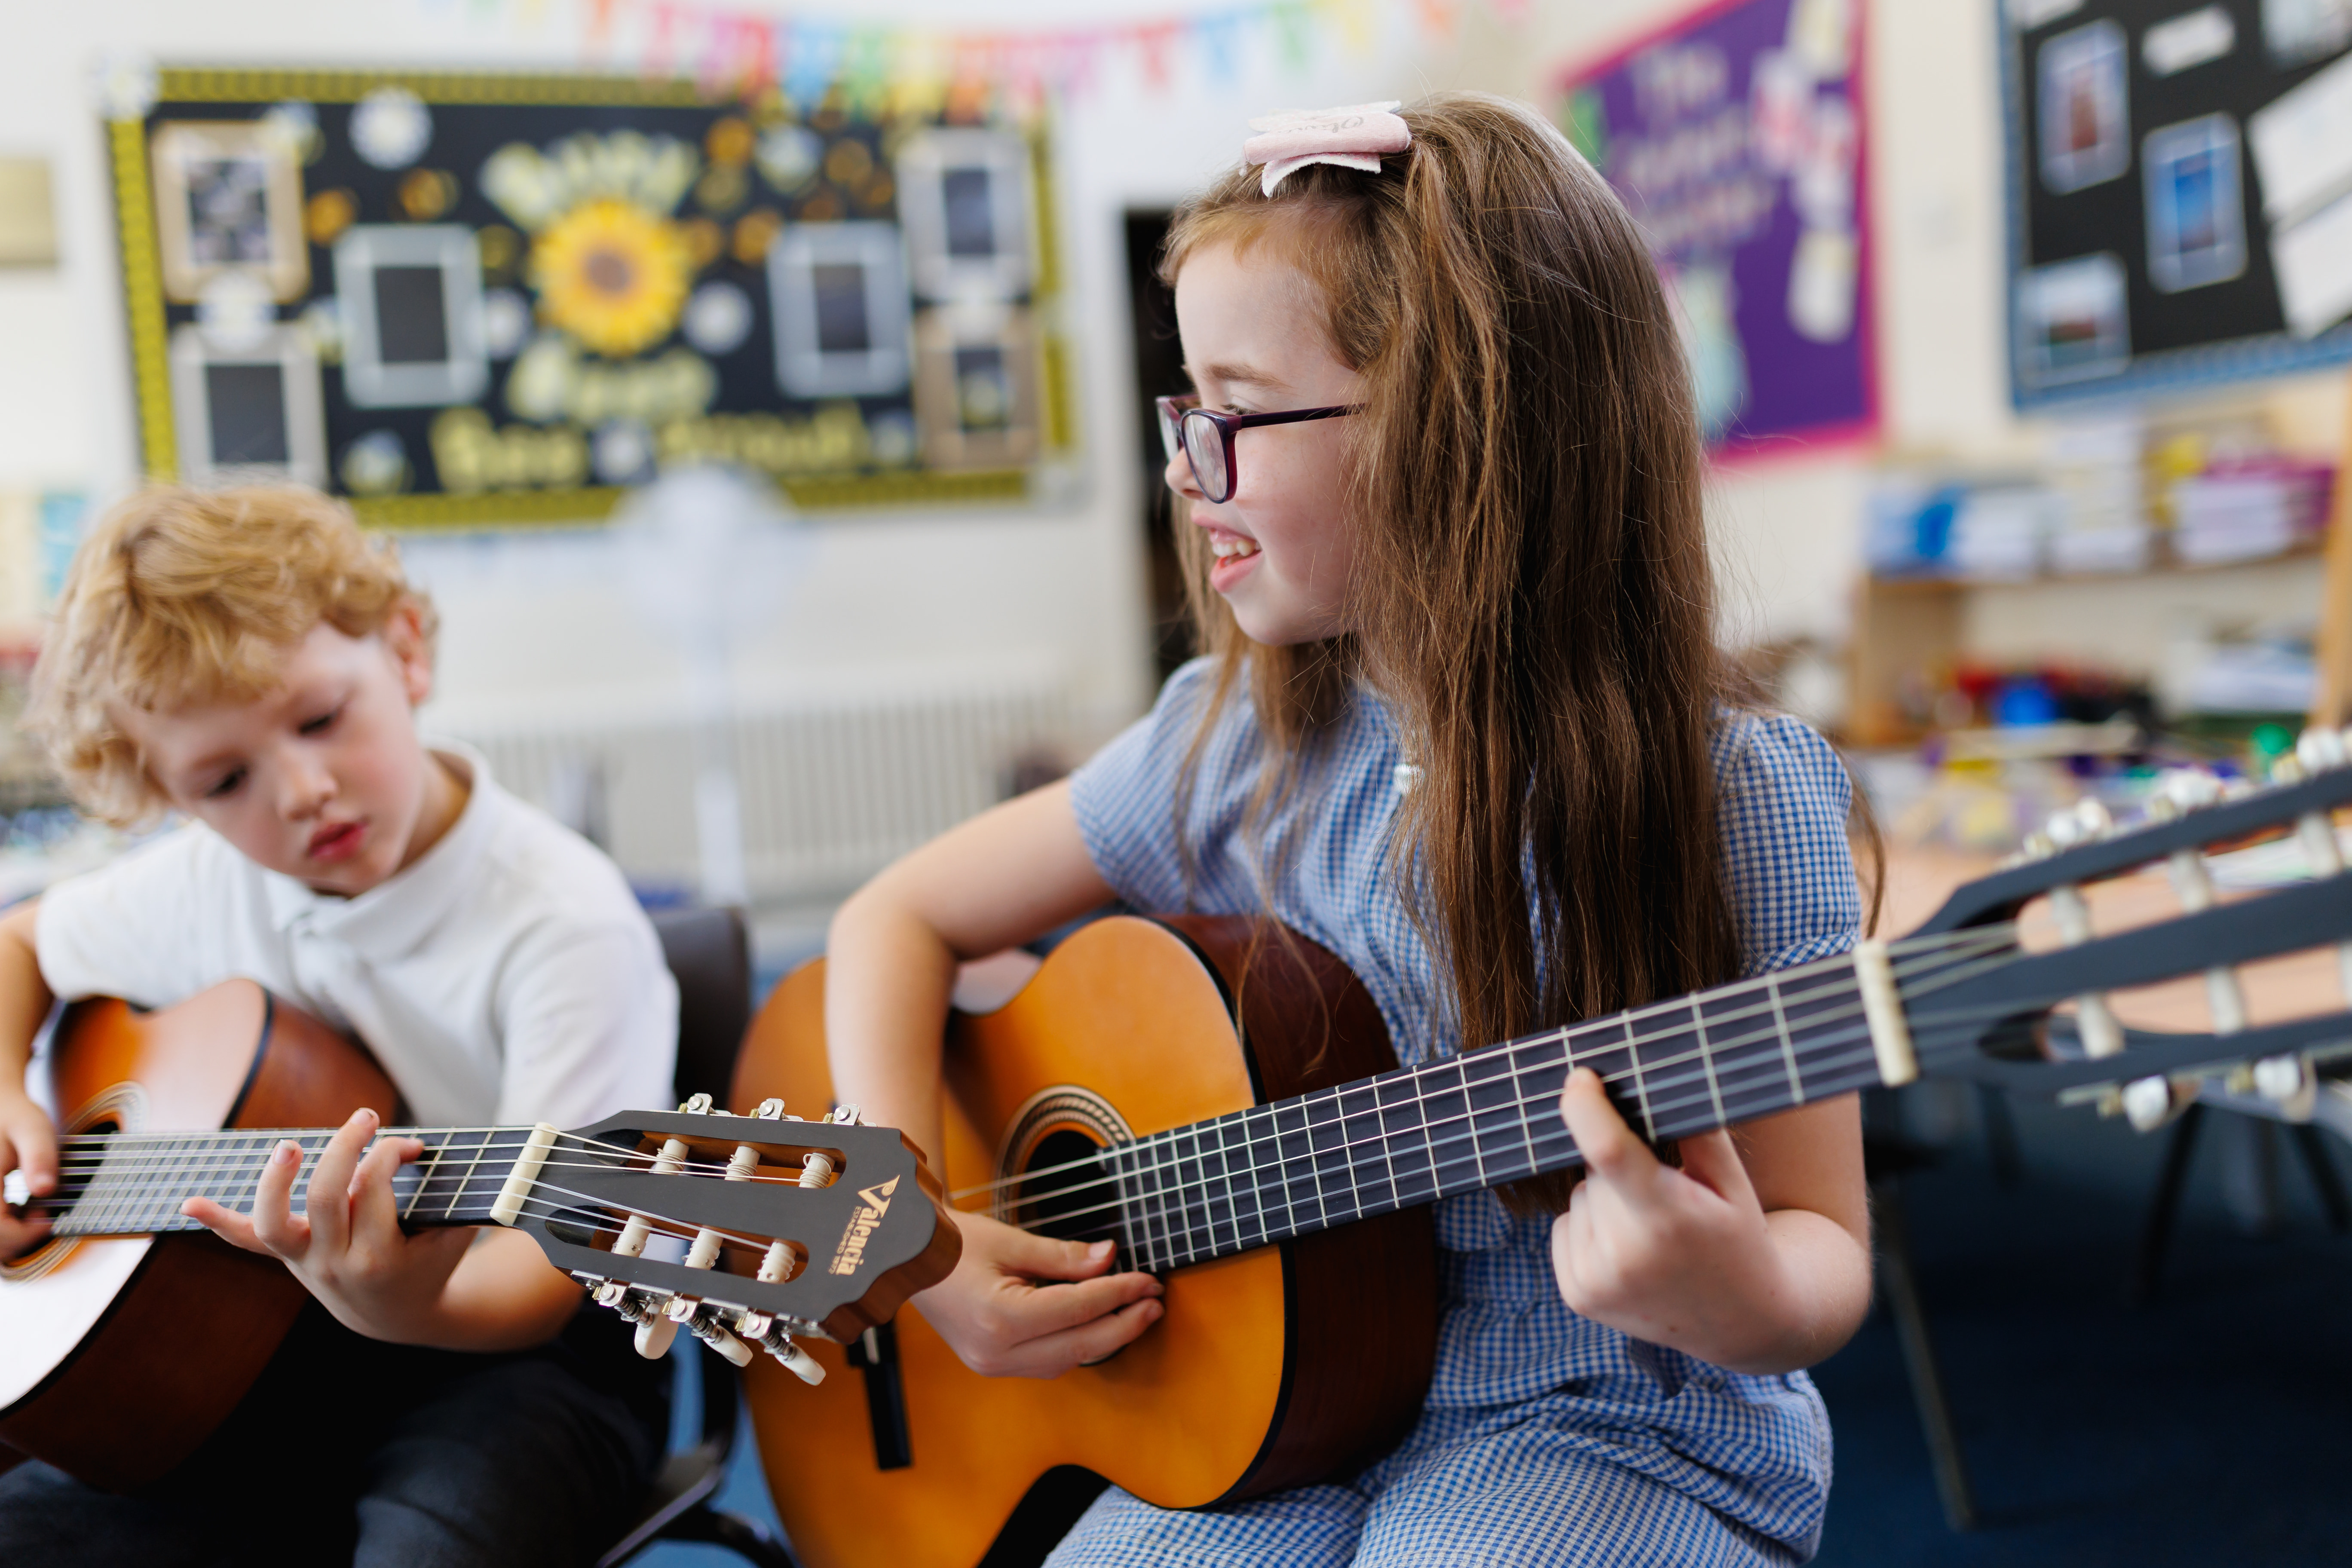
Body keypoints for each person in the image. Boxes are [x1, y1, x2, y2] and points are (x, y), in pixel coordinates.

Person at [824, 94, 1871, 1566]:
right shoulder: (1228, 734)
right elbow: (896, 918)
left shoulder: (1732, 795)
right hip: (1270, 1418)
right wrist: (906, 1219)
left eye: (1236, 417)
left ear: (1463, 427)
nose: (1189, 474)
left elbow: (1825, 1248)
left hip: (1603, 1415)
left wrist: (1737, 1285)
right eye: (1183, 412)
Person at [0, 484, 679, 1567]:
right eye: (225, 780)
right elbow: (21, 944)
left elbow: (544, 1277)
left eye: (320, 719)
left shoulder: (564, 922)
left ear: (404, 652)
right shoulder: (202, 882)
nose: (304, 790)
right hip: (250, 1348)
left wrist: (401, 1306)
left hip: (524, 1355)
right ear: (172, 797)